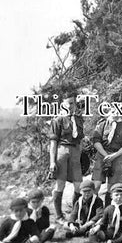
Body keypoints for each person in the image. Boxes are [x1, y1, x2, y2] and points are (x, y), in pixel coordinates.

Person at [49, 94, 84, 223]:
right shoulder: (58, 120)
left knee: (78, 185)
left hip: (75, 152)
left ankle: (74, 216)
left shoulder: (79, 120)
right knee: (60, 184)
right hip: (62, 152)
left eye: (73, 103)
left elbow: (80, 141)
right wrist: (52, 162)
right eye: (68, 103)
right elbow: (53, 143)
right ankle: (59, 216)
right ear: (63, 104)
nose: (71, 106)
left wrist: (79, 158)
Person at [91, 114, 122, 205]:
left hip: (117, 155)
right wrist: (106, 155)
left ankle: (110, 209)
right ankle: (93, 208)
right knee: (96, 185)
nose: (115, 114)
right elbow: (96, 142)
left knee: (113, 187)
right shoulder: (102, 124)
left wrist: (114, 156)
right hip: (102, 154)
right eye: (113, 111)